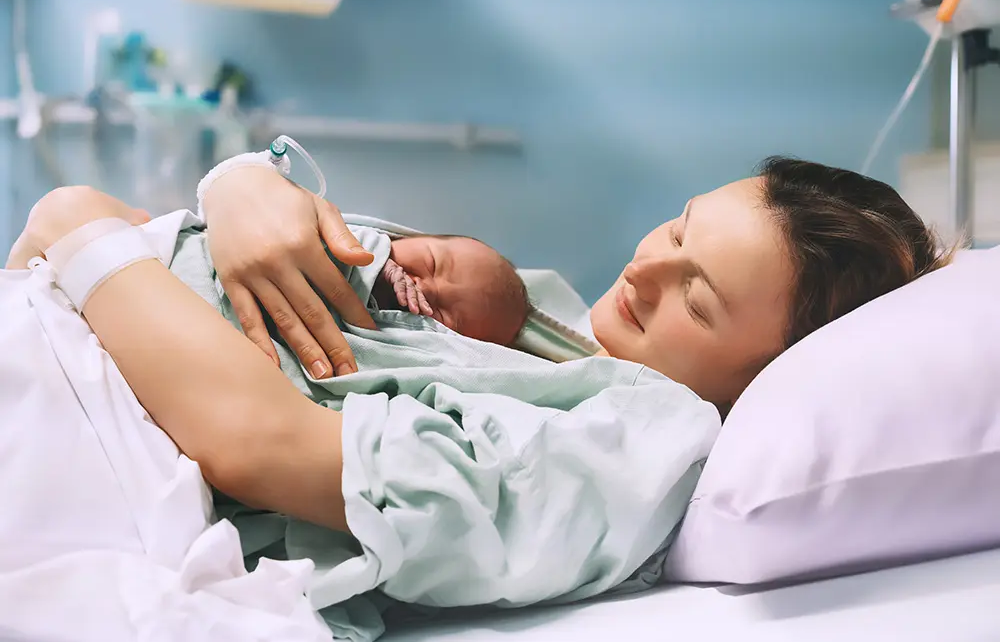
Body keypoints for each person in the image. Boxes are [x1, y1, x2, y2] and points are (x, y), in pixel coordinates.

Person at [5, 156, 954, 639]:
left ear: (766, 377)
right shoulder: (570, 331)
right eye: (677, 227)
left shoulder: (631, 456)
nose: (646, 266)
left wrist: (77, 223)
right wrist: (242, 186)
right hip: (79, 323)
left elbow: (263, 441)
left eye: (696, 299)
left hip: (97, 409)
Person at [372, 235, 531, 347]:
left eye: (444, 317)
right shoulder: (354, 235)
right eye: (432, 264)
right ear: (401, 237)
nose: (425, 290)